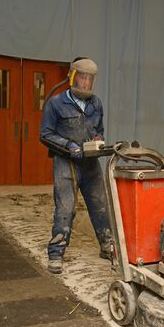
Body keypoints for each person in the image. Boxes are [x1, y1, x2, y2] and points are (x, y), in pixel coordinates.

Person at [40, 57, 112, 274]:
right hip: (66, 164)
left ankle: (107, 245)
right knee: (66, 208)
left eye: (90, 79)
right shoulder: (56, 103)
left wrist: (97, 140)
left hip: (90, 164)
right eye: (82, 77)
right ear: (72, 76)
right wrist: (69, 146)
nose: (86, 83)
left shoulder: (96, 103)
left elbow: (99, 128)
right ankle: (56, 253)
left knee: (100, 206)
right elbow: (45, 134)